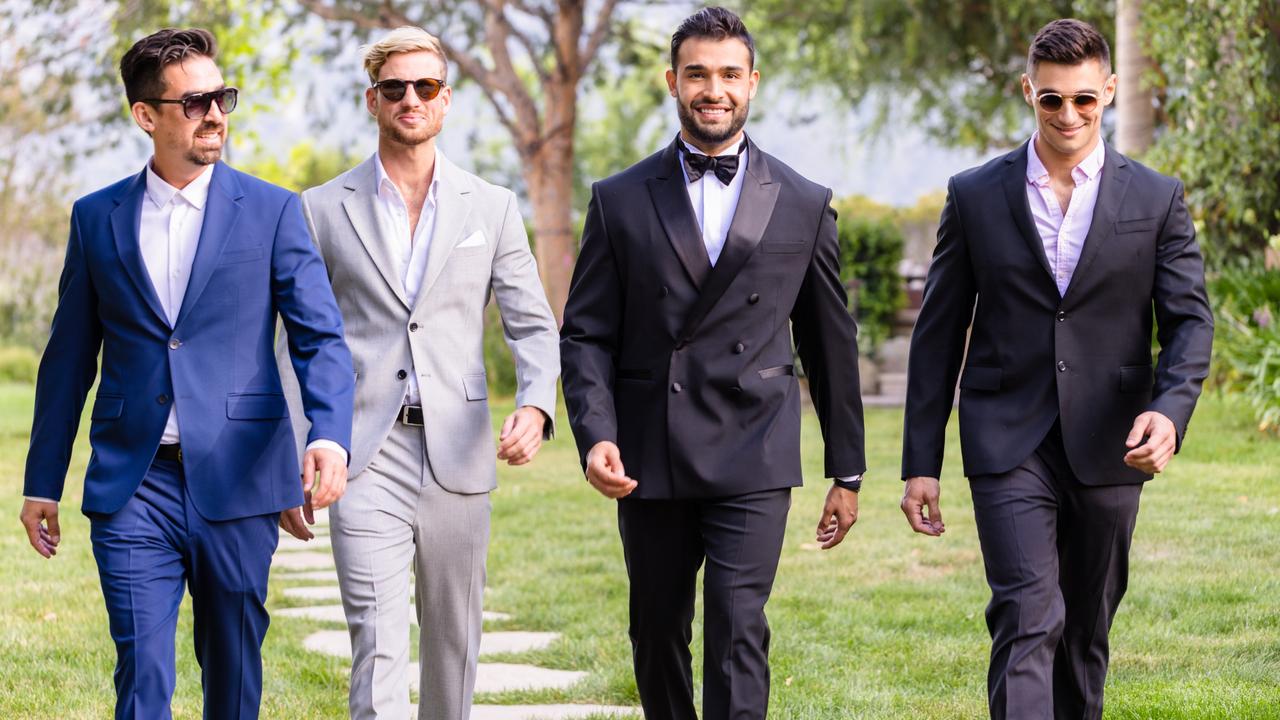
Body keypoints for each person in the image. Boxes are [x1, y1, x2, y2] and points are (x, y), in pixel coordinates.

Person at [19, 27, 354, 719]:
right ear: (147, 116)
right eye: (196, 101)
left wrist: (327, 435)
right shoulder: (96, 218)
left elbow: (320, 337)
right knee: (142, 669)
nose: (216, 115)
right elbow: (67, 362)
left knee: (232, 672)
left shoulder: (271, 210)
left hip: (240, 478)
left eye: (222, 97)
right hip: (133, 481)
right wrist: (42, 482)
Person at [900, 18, 1214, 720]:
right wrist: (921, 461)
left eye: (1082, 100)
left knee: (1084, 633)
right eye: (1050, 100)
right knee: (1026, 616)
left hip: (1112, 443)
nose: (1067, 115)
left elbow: (1190, 321)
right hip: (1007, 438)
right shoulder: (976, 195)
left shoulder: (1157, 199)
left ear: (1106, 91)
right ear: (1027, 93)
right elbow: (938, 333)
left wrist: (1169, 411)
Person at [559, 8, 866, 719]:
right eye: (697, 73)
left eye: (730, 74)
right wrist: (597, 434)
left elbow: (829, 342)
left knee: (737, 629)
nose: (714, 89)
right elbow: (586, 334)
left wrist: (846, 471)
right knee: (657, 628)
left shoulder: (804, 201)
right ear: (673, 82)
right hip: (649, 451)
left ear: (752, 83)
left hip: (754, 448)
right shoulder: (618, 199)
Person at [276, 26, 559, 720]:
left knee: (454, 642)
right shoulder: (319, 208)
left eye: (424, 86)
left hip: (458, 450)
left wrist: (535, 403)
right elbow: (290, 341)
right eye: (395, 87)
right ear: (372, 100)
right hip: (361, 452)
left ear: (445, 99)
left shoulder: (489, 207)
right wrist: (290, 454)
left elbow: (532, 322)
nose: (411, 98)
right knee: (376, 639)